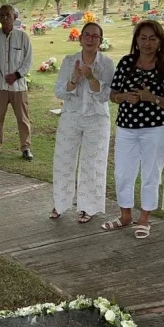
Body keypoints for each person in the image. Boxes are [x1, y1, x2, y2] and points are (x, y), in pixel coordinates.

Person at [101, 20, 164, 239]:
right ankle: (125, 215)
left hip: (156, 129)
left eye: (152, 38)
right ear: (136, 40)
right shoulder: (127, 63)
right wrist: (124, 97)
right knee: (122, 172)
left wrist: (152, 98)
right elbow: (113, 95)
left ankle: (145, 218)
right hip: (127, 127)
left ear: (160, 42)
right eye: (143, 38)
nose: (147, 43)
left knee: (150, 173)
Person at [50, 22, 115, 223]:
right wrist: (75, 79)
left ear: (100, 41)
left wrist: (91, 77)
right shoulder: (70, 61)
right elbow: (60, 92)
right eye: (86, 35)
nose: (90, 39)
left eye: (95, 36)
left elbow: (105, 96)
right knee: (63, 159)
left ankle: (89, 207)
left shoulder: (106, 64)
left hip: (96, 118)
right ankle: (60, 203)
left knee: (93, 162)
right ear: (80, 39)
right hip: (71, 115)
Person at [0, 4, 34, 160]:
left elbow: (28, 61)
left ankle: (26, 148)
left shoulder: (23, 37)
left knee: (23, 119)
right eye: (1, 15)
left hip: (18, 87)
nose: (4, 18)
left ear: (14, 17)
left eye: (8, 15)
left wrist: (17, 75)